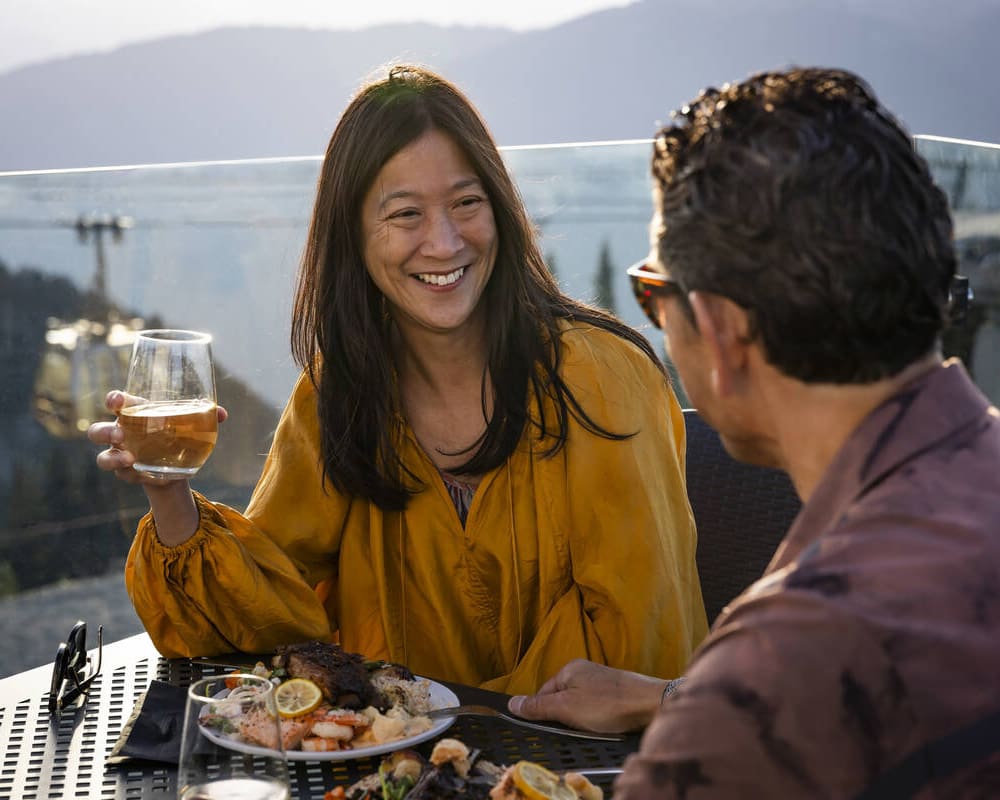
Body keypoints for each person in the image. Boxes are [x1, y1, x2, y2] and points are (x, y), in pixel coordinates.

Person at [88, 64, 707, 695]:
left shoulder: (601, 379)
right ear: (353, 236)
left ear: (501, 210)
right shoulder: (341, 394)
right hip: (385, 772)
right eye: (405, 214)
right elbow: (259, 619)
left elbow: (642, 650)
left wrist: (457, 727)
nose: (443, 243)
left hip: (570, 774)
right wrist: (168, 491)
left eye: (467, 203)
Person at [509, 66, 1000, 796]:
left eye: (653, 295)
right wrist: (674, 698)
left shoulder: (779, 676)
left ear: (720, 329)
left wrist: (711, 707)